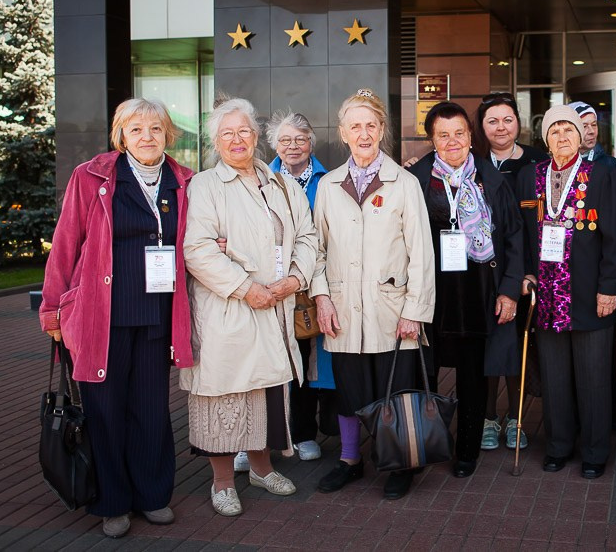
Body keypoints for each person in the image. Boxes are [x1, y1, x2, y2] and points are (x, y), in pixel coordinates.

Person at [39, 98, 194, 538]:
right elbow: (66, 243)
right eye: (136, 129)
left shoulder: (183, 181)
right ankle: (113, 502)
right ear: (121, 135)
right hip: (99, 315)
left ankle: (153, 495)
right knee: (104, 411)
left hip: (157, 314)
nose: (147, 137)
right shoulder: (92, 177)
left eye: (156, 129)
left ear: (168, 134)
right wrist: (51, 308)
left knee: (150, 409)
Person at [182, 97, 318, 517]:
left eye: (244, 131)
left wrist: (297, 278)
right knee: (221, 395)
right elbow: (198, 250)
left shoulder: (281, 184)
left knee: (265, 393)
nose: (237, 140)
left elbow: (308, 237)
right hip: (229, 309)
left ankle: (261, 467)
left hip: (276, 304)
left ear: (257, 137)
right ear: (216, 142)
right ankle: (222, 482)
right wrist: (245, 288)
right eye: (227, 133)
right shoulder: (204, 185)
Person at [310, 88, 435, 500]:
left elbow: (421, 252)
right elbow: (317, 248)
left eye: (371, 125)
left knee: (394, 391)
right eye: (355, 126)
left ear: (382, 130)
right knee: (349, 390)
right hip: (343, 307)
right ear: (343, 133)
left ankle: (400, 463)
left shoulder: (404, 183)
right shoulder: (328, 185)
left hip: (391, 308)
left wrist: (415, 309)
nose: (364, 134)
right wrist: (321, 297)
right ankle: (350, 459)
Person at [409, 101, 524, 477]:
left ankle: (467, 450)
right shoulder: (417, 179)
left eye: (459, 132)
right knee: (425, 374)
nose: (452, 140)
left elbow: (513, 238)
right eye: (443, 135)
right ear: (432, 139)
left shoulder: (492, 180)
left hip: (479, 293)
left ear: (470, 135)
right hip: (433, 295)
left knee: (473, 376)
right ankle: (428, 442)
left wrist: (508, 291)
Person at [517, 105, 616, 479]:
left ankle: (595, 451)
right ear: (545, 139)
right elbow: (522, 234)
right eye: (555, 130)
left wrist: (609, 287)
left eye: (569, 130)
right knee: (555, 376)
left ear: (581, 137)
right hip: (546, 294)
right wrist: (526, 274)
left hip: (589, 291)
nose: (562, 137)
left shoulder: (602, 176)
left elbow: (615, 237)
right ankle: (559, 445)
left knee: (594, 376)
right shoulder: (530, 175)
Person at [475, 91, 548, 450]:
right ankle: (488, 417)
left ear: (518, 122)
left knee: (519, 348)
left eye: (507, 119)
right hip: (482, 274)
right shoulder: (471, 163)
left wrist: (529, 273)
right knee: (488, 348)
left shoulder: (537, 162)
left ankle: (517, 418)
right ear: (482, 126)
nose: (501, 127)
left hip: (525, 274)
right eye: (492, 120)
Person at [264, 112, 335, 463]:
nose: (293, 146)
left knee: (306, 360)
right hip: (270, 284)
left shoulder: (328, 180)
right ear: (274, 145)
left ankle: (305, 432)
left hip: (309, 281)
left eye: (300, 139)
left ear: (311, 142)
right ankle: (263, 438)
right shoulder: (260, 179)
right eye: (285, 140)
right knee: (268, 362)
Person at [572, 100, 616, 431]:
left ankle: (611, 414)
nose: (590, 130)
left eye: (594, 124)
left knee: (602, 358)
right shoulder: (552, 168)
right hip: (567, 280)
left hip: (602, 278)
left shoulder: (611, 165)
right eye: (583, 125)